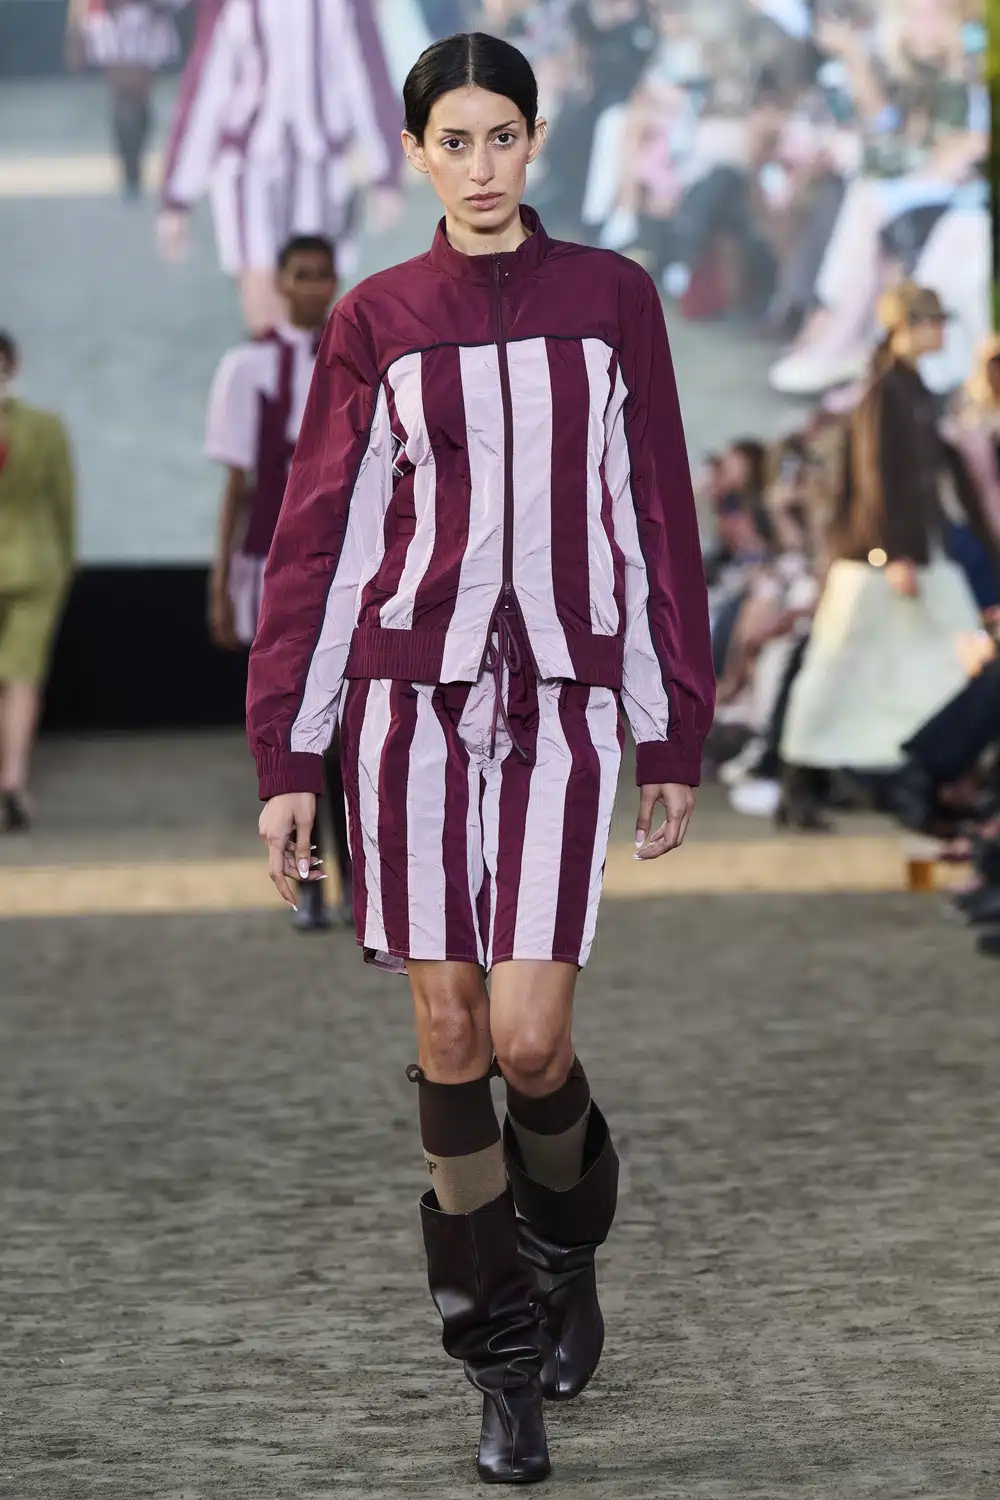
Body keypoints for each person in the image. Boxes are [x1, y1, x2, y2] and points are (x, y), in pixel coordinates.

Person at [245, 30, 714, 1484]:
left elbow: (653, 511)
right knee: (448, 1040)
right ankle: (499, 1364)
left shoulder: (610, 299)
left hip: (563, 705)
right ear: (417, 154)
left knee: (528, 1044)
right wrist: (290, 755)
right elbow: (320, 541)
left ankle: (564, 1248)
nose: (481, 164)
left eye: (501, 135)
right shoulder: (378, 317)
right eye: (453, 141)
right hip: (409, 711)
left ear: (535, 139)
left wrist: (669, 724)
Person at [779, 282, 987, 820]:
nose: (941, 332)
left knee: (948, 661)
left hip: (913, 553)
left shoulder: (912, 391)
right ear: (904, 327)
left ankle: (924, 776)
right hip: (883, 558)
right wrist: (892, 553)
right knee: (839, 666)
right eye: (932, 321)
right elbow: (876, 477)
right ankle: (803, 781)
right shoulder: (885, 392)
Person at [205, 234, 352, 929]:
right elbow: (237, 484)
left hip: (352, 565)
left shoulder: (360, 358)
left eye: (324, 275)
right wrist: (219, 583)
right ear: (283, 283)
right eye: (302, 274)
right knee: (295, 730)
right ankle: (309, 882)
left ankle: (357, 884)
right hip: (273, 564)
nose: (313, 286)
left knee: (346, 735)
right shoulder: (248, 366)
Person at [156, 0, 405, 334]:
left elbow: (366, 73)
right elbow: (207, 84)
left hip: (321, 168)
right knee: (262, 305)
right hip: (248, 169)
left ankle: (305, 366)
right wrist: (177, 194)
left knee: (311, 306)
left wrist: (386, 171)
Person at [0, 333, 76, 833]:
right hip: (35, 563)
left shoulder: (46, 427)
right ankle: (12, 779)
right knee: (22, 677)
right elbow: (63, 504)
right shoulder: (45, 428)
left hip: (31, 566)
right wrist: (64, 562)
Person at [65, 0, 188, 199]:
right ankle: (129, 169)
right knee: (122, 97)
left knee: (139, 96)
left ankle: (135, 161)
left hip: (147, 18)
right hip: (110, 18)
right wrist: (75, 24)